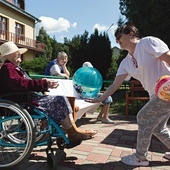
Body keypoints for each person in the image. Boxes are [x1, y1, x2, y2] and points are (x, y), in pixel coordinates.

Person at [87, 23, 170, 166]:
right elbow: (115, 84)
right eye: (116, 38)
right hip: (156, 96)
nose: (117, 39)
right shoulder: (125, 63)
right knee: (158, 128)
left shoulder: (147, 43)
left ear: (131, 34)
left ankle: (140, 157)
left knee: (143, 117)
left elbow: (168, 57)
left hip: (167, 90)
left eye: (120, 36)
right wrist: (100, 98)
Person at [0, 41, 97, 143]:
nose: (19, 54)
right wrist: (43, 84)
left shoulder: (12, 68)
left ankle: (73, 130)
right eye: (17, 53)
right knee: (59, 100)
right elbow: (19, 84)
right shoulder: (8, 67)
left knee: (61, 99)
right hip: (23, 101)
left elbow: (22, 83)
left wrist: (42, 85)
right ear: (9, 55)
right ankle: (73, 132)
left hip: (25, 99)